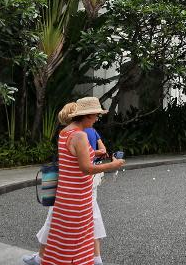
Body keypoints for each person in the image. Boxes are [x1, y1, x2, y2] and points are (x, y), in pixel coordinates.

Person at [25, 97, 124, 265]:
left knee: (61, 240)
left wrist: (97, 154)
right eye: (96, 116)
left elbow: (73, 157)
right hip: (77, 199)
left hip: (65, 195)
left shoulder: (65, 132)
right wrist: (113, 165)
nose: (97, 119)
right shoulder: (80, 136)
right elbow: (87, 168)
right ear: (87, 116)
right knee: (76, 243)